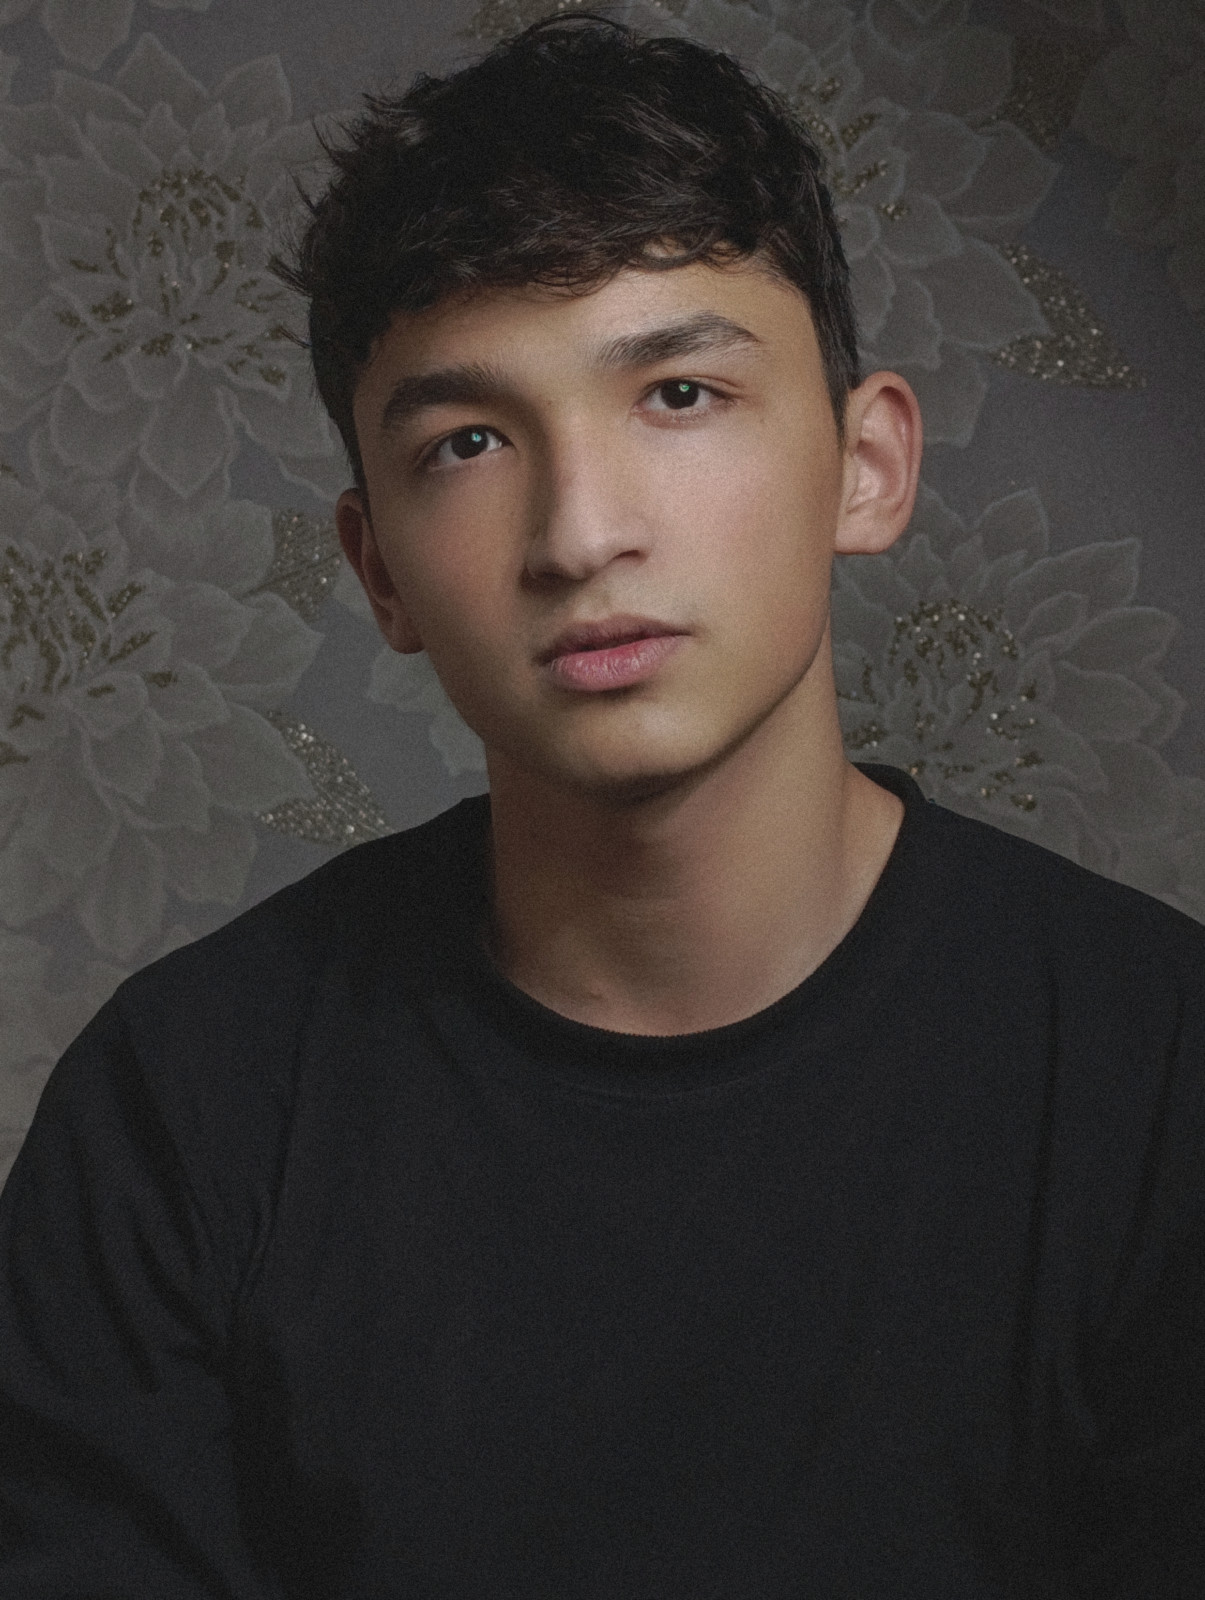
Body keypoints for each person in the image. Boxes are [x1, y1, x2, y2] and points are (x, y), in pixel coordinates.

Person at [1, 13, 1202, 1597]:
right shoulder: (180, 1113)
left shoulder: (1159, 1077)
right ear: (378, 571)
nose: (579, 532)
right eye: (469, 442)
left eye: (679, 393)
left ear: (865, 464)